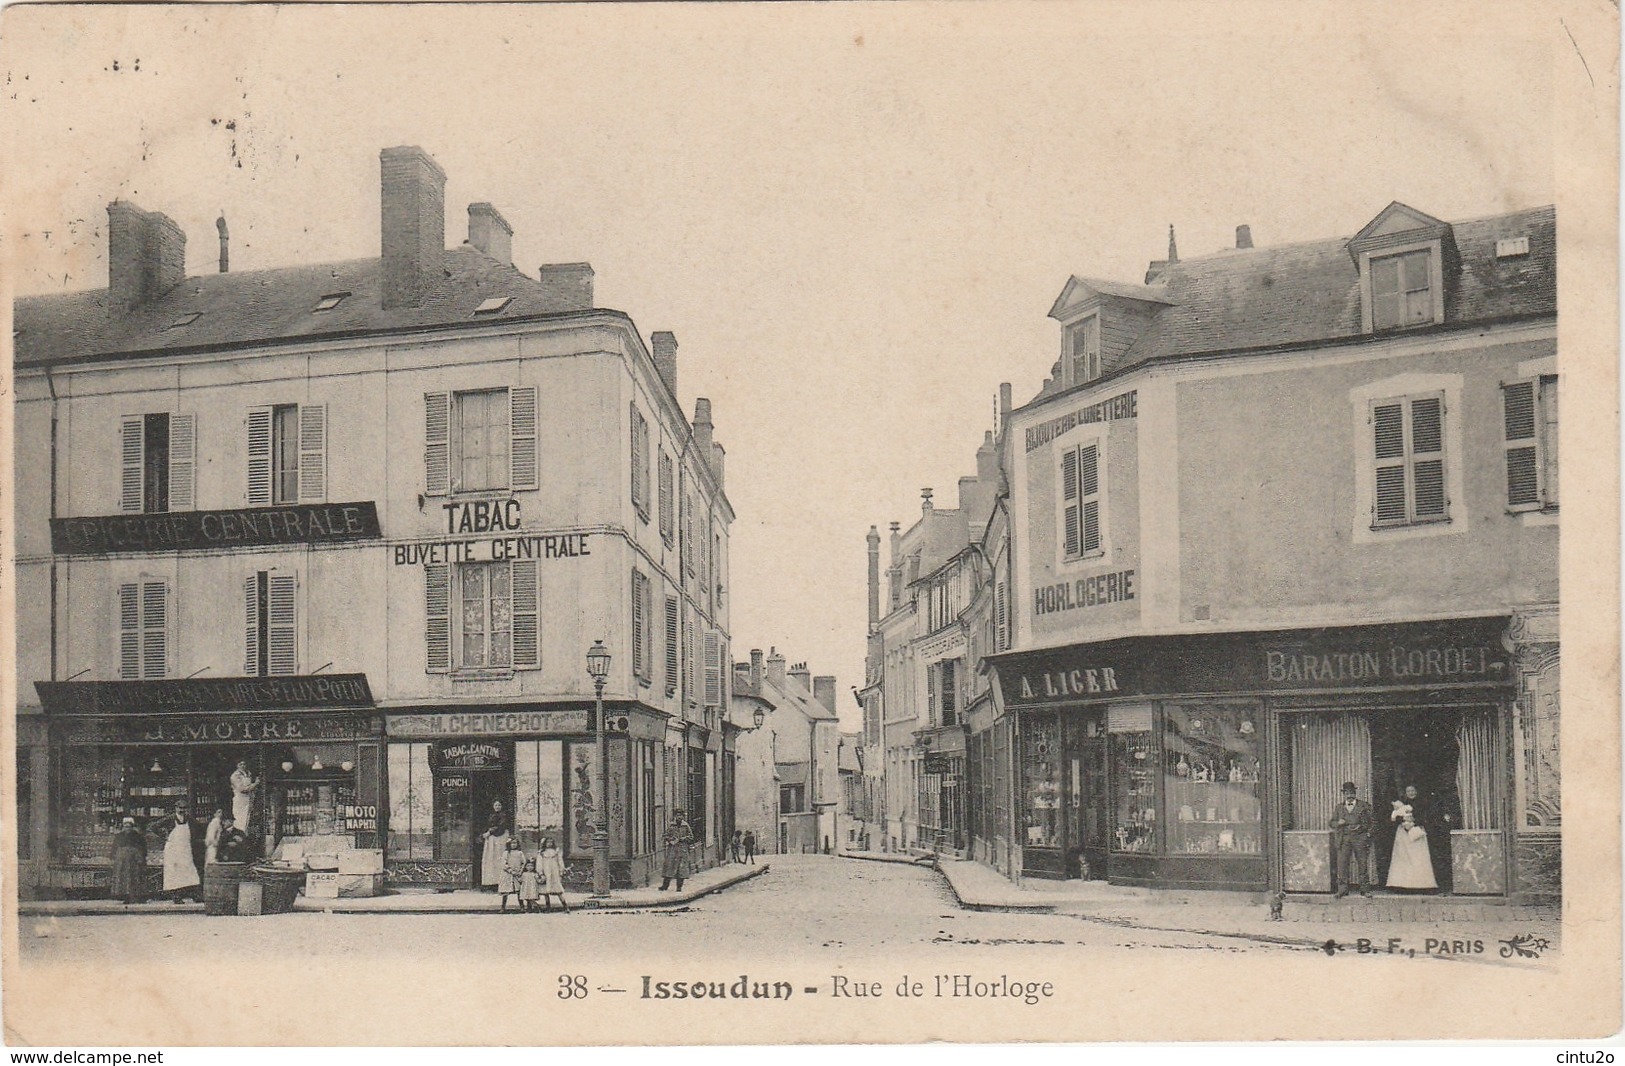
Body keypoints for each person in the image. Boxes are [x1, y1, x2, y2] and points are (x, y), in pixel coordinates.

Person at [1328, 781, 1374, 898]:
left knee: (1362, 864)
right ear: (1344, 794)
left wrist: (1365, 831)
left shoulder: (1364, 806)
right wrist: (1338, 823)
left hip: (1360, 838)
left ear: (1355, 793)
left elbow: (1372, 822)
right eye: (1347, 793)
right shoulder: (1339, 807)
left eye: (1352, 793)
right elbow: (1331, 822)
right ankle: (1342, 890)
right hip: (1344, 838)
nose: (1349, 796)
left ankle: (1365, 889)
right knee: (1342, 864)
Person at [1386, 789, 1438, 891]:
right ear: (1405, 793)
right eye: (1408, 791)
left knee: (1419, 857)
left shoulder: (1423, 803)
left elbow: (1427, 817)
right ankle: (1402, 884)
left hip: (1417, 832)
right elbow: (1393, 818)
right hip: (1403, 833)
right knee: (1403, 858)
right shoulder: (1401, 804)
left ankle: (1422, 885)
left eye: (1413, 791)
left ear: (1417, 792)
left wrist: (1414, 820)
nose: (1411, 793)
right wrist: (1403, 821)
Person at [161, 806, 201, 903]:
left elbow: (198, 827)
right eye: (180, 808)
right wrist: (164, 836)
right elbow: (152, 827)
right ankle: (176, 897)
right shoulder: (170, 818)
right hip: (173, 850)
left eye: (184, 808)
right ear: (175, 808)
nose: (182, 810)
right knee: (175, 873)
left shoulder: (189, 819)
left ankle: (195, 896)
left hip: (185, 849)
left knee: (190, 872)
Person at [110, 817, 147, 904]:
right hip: (122, 860)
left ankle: (137, 896)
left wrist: (142, 857)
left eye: (129, 826)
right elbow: (114, 847)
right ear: (123, 826)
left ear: (132, 826)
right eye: (125, 826)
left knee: (136, 877)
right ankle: (125, 896)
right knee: (124, 878)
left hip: (135, 859)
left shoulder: (138, 836)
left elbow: (143, 847)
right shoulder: (119, 836)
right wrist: (113, 857)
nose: (127, 828)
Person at [478, 800, 511, 892]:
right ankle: (491, 882)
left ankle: (501, 882)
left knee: (499, 858)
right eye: (496, 805)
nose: (497, 807)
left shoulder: (504, 815)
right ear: (493, 806)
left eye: (499, 805)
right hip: (491, 839)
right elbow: (486, 826)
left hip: (500, 838)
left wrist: (490, 832)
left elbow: (502, 826)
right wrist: (484, 834)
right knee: (490, 859)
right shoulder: (490, 815)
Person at [659, 811, 694, 891]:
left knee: (681, 869)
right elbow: (665, 835)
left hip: (682, 849)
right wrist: (670, 840)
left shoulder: (685, 825)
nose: (679, 817)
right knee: (669, 867)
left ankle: (679, 887)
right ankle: (665, 886)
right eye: (678, 815)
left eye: (681, 815)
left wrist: (684, 838)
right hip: (673, 849)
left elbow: (691, 837)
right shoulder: (671, 825)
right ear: (675, 816)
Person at [537, 836, 568, 913]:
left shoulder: (556, 852)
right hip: (546, 871)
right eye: (548, 842)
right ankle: (548, 907)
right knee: (546, 891)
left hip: (554, 872)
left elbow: (560, 861)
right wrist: (540, 873)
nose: (549, 844)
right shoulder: (541, 853)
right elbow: (539, 863)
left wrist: (561, 871)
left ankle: (565, 906)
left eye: (551, 842)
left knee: (558, 890)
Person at [229, 760, 259, 832]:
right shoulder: (235, 776)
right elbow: (242, 789)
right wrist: (255, 784)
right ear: (237, 765)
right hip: (240, 800)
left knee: (247, 820)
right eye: (240, 764)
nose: (243, 766)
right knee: (240, 820)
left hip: (248, 800)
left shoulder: (248, 774)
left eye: (244, 764)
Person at [498, 838, 525, 913]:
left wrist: (520, 871)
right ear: (509, 844)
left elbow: (523, 862)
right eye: (512, 843)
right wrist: (510, 870)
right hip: (507, 874)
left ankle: (522, 907)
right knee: (505, 891)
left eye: (515, 843)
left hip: (517, 873)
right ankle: (503, 907)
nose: (514, 845)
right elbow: (504, 863)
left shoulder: (520, 853)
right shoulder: (506, 853)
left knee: (519, 891)